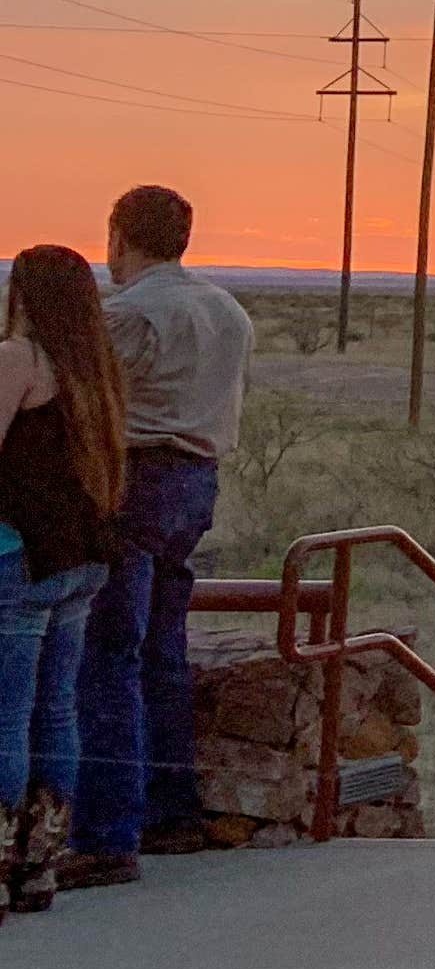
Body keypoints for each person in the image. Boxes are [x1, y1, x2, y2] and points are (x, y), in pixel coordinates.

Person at [67, 185, 250, 888]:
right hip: (196, 479)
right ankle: (173, 812)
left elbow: (87, 398)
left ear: (118, 236)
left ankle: (108, 831)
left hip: (134, 478)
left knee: (108, 654)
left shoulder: (129, 313)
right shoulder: (225, 309)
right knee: (162, 649)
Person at [1, 244, 126, 914]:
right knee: (56, 710)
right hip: (79, 554)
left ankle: (0, 864)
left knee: (7, 715)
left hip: (19, 555)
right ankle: (40, 864)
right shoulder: (95, 369)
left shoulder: (18, 358)